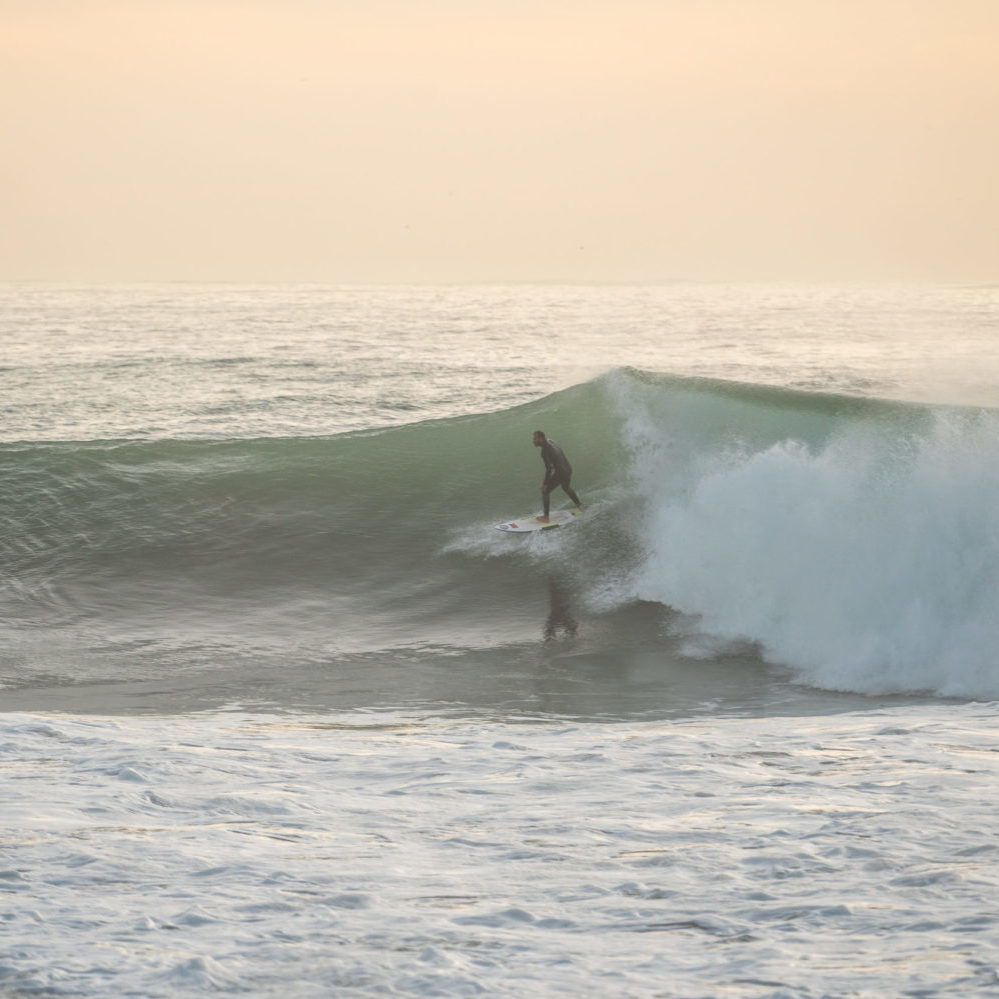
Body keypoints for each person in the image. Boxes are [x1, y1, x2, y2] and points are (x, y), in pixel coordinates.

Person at [532, 430, 582, 523]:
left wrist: (544, 484)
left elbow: (549, 469)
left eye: (535, 439)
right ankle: (579, 505)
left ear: (541, 439)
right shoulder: (551, 441)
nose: (533, 441)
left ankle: (546, 517)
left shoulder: (544, 451)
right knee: (565, 487)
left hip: (561, 472)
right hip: (568, 469)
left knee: (545, 491)